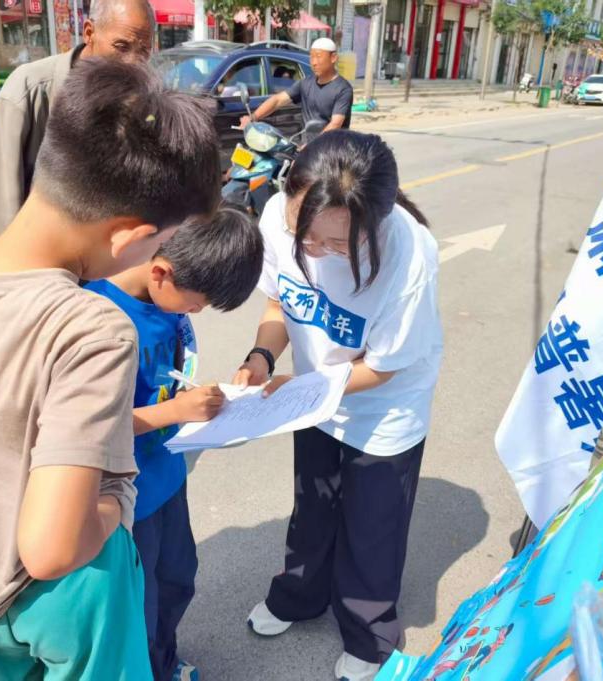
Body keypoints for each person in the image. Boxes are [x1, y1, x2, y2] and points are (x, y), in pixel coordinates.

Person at [0, 59, 221, 680]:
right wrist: (117, 502)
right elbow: (52, 549)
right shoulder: (92, 328)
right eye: (160, 242)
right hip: (74, 593)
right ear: (129, 237)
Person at [233, 130, 443, 681]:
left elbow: (384, 367)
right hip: (313, 395)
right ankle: (300, 596)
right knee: (312, 507)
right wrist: (261, 357)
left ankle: (369, 633)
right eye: (303, 233)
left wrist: (308, 389)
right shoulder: (277, 215)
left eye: (333, 244)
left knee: (372, 528)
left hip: (384, 406)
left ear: (375, 223)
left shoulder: (408, 254)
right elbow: (279, 304)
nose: (311, 249)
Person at [84, 206, 264, 681]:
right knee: (137, 606)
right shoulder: (96, 314)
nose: (196, 313)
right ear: (161, 272)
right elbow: (84, 425)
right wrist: (175, 412)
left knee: (178, 579)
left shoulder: (168, 306)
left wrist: (192, 403)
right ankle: (146, 669)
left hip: (167, 475)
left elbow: (169, 377)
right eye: (197, 303)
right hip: (125, 498)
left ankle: (164, 661)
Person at [0, 0, 156, 235]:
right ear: (89, 33)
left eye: (143, 51)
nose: (132, 63)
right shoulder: (29, 91)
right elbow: (1, 206)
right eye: (121, 46)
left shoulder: (144, 102)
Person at [241, 37, 353, 143]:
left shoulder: (343, 89)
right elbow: (277, 100)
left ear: (333, 58)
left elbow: (335, 124)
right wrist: (253, 117)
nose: (314, 62)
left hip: (331, 149)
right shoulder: (305, 83)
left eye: (318, 57)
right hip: (306, 147)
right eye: (312, 57)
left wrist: (313, 145)